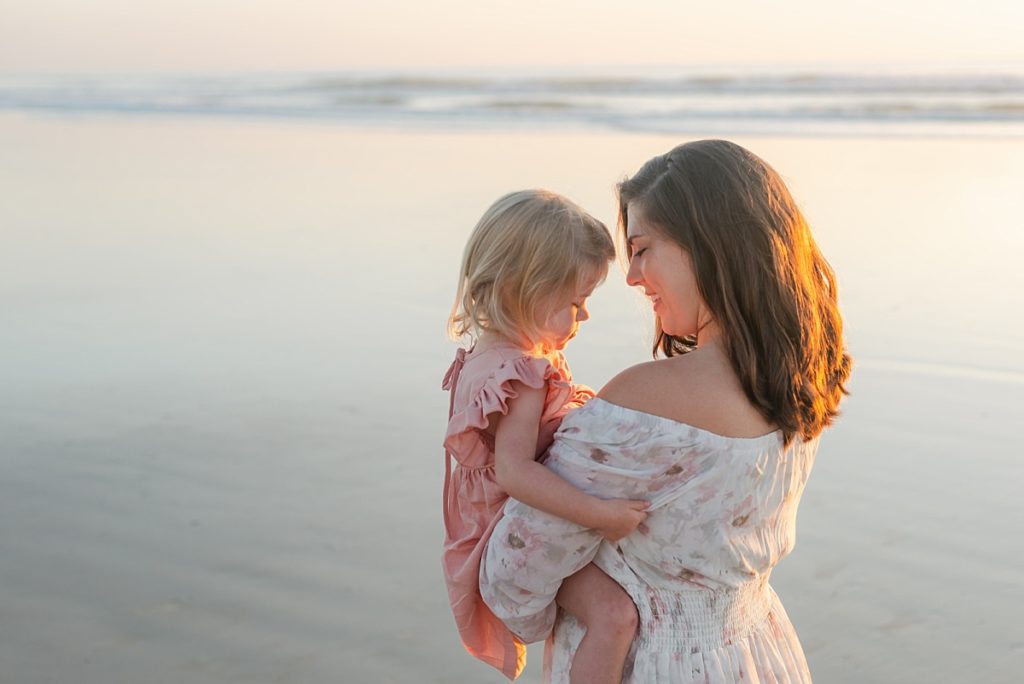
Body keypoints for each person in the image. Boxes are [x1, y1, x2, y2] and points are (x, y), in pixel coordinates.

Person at [480, 140, 852, 683]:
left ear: (708, 246)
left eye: (642, 248)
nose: (631, 276)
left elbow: (514, 578)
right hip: (754, 654)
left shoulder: (641, 406)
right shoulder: (798, 386)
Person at [442, 189, 651, 682]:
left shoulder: (482, 359)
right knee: (614, 615)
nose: (584, 316)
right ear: (524, 288)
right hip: (509, 534)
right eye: (575, 302)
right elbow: (515, 472)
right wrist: (604, 515)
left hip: (489, 530)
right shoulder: (522, 375)